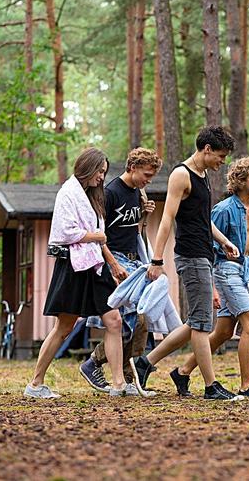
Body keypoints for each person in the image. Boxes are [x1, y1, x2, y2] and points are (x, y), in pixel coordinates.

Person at [130, 126, 243, 401]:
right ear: (206, 149)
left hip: (204, 252)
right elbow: (167, 218)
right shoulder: (182, 175)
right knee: (204, 325)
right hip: (191, 256)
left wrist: (224, 241)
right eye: (220, 155)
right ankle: (211, 386)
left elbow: (203, 221)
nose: (222, 161)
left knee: (196, 322)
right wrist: (156, 259)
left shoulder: (203, 175)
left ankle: (146, 363)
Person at [24, 148, 132, 398]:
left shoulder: (92, 196)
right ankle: (35, 384)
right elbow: (65, 232)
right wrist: (96, 236)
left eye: (105, 173)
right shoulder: (68, 193)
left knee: (113, 320)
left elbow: (99, 236)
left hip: (96, 266)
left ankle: (118, 384)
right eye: (100, 172)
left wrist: (114, 264)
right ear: (88, 167)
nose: (102, 178)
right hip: (73, 266)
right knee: (64, 327)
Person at [173, 157, 249, 398]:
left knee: (224, 332)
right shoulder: (224, 209)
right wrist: (213, 286)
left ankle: (183, 372)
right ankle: (247, 385)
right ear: (241, 181)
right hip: (225, 271)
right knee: (248, 321)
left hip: (244, 270)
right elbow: (208, 243)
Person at [78, 147, 163, 397]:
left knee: (142, 319)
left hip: (135, 260)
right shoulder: (111, 192)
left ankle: (127, 377)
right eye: (146, 174)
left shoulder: (138, 192)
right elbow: (100, 233)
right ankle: (95, 363)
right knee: (128, 320)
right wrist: (113, 264)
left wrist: (144, 215)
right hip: (116, 259)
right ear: (132, 167)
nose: (149, 180)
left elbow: (134, 231)